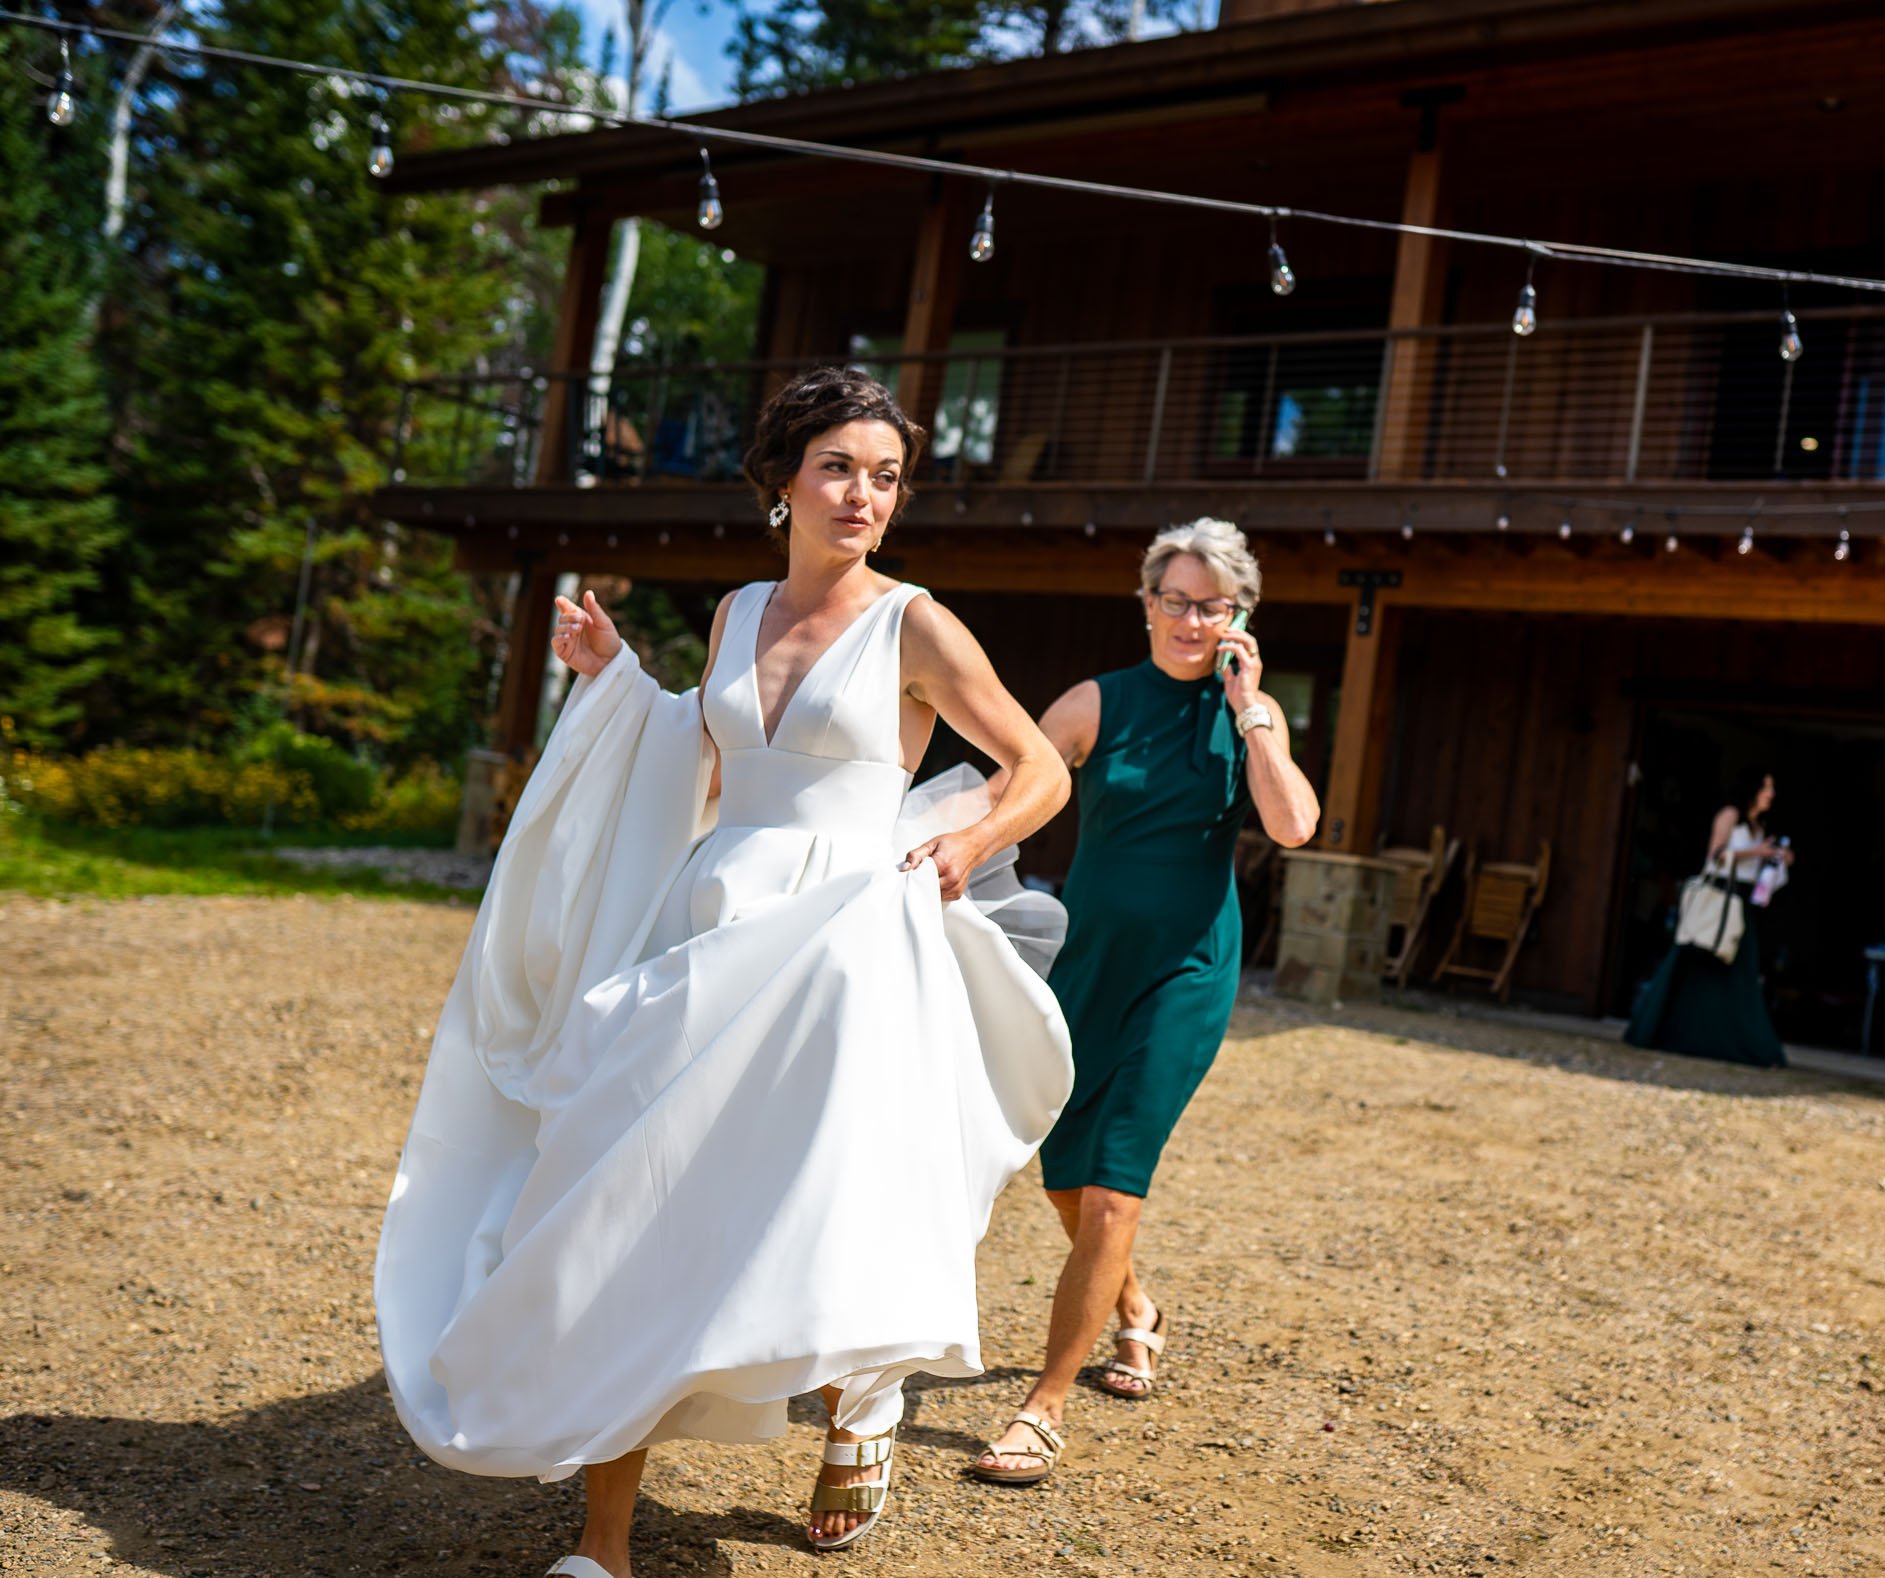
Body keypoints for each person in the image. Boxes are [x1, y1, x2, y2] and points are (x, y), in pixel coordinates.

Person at [375, 367, 1075, 1568]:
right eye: (840, 468)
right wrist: (615, 687)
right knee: (626, 1197)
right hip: (717, 919)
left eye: (887, 477)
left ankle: (861, 1399)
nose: (864, 496)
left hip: (853, 937)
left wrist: (964, 840)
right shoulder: (737, 611)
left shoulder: (915, 622)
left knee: (825, 1193)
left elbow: (1037, 769)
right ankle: (603, 1544)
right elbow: (698, 760)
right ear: (784, 483)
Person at [970, 519, 1320, 1485]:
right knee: (1064, 1179)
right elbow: (1013, 792)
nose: (1189, 618)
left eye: (1211, 604)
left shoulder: (1252, 719)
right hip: (1088, 964)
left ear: (1238, 615)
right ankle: (1136, 1312)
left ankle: (1042, 1410)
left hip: (1187, 971)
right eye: (1174, 599)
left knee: (1117, 1187)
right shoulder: (1094, 702)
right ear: (1148, 603)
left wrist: (1250, 709)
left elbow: (1293, 824)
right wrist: (941, 853)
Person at [1624, 768, 1795, 1069]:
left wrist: (1775, 859)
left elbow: (1755, 874)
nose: (1771, 794)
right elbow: (1715, 855)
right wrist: (1754, 851)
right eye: (1766, 787)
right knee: (1694, 962)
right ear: (1752, 788)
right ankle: (1663, 1032)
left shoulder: (1759, 825)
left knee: (1740, 977)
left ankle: (1734, 1044)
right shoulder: (1729, 815)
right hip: (1718, 900)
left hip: (1742, 905)